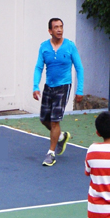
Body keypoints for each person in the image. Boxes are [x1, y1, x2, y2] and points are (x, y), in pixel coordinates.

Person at [33, 17, 84, 167]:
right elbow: (38, 68)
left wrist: (79, 89)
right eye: (56, 27)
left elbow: (79, 68)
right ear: (50, 31)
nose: (59, 29)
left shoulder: (70, 46)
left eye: (61, 26)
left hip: (63, 87)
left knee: (55, 120)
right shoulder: (44, 47)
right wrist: (35, 86)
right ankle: (61, 137)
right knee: (44, 119)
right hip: (49, 86)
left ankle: (51, 153)